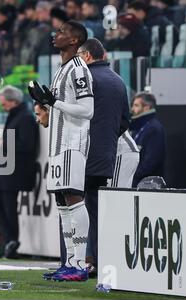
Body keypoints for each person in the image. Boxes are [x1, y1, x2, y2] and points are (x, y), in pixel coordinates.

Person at [28, 20, 93, 281]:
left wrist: (55, 102)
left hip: (72, 143)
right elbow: (60, 105)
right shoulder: (61, 68)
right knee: (62, 202)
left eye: (63, 32)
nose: (57, 35)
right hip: (57, 144)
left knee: (74, 197)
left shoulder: (79, 69)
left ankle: (79, 264)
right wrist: (45, 103)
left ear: (74, 40)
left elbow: (87, 110)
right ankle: (68, 261)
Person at [77, 38, 129, 274]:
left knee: (74, 210)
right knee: (96, 211)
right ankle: (97, 260)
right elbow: (125, 121)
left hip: (81, 154)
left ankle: (77, 261)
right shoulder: (119, 81)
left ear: (87, 56)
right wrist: (106, 142)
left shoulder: (86, 79)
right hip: (104, 156)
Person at [0, 85, 38, 259]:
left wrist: (3, 144)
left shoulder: (24, 118)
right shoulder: (17, 116)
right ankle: (10, 241)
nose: (3, 107)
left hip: (14, 171)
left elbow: (27, 145)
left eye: (4, 104)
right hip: (7, 170)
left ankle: (12, 242)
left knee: (8, 208)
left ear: (13, 101)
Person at [129, 92, 166, 186]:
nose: (132, 109)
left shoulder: (155, 129)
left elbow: (151, 162)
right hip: (135, 182)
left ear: (147, 107)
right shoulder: (136, 128)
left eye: (136, 105)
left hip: (148, 185)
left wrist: (132, 174)